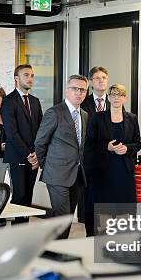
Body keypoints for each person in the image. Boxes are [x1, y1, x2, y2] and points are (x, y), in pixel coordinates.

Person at [34, 75, 89, 239]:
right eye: (75, 89)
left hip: (77, 174)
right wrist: (47, 165)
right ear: (67, 90)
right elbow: (40, 143)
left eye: (83, 90)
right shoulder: (54, 112)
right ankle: (56, 252)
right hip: (56, 174)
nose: (79, 93)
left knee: (67, 217)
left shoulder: (84, 115)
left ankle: (54, 247)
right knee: (62, 215)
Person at [84, 84, 141, 236]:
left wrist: (127, 148)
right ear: (108, 97)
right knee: (101, 209)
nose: (116, 98)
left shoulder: (132, 118)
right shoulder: (97, 117)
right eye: (113, 95)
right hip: (103, 171)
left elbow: (138, 143)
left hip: (124, 171)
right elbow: (89, 144)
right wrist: (106, 147)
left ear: (125, 98)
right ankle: (96, 240)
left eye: (120, 95)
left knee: (124, 209)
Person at [0, 65, 43, 222]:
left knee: (28, 198)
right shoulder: (8, 101)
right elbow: (12, 133)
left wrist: (37, 153)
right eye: (26, 75)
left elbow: (41, 130)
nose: (30, 78)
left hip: (34, 157)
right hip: (18, 156)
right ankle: (16, 234)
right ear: (16, 79)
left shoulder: (35, 101)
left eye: (32, 75)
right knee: (19, 196)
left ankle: (24, 231)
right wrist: (28, 154)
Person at [79, 66, 110, 227]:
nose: (101, 80)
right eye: (97, 78)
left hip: (109, 159)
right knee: (89, 198)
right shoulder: (83, 104)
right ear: (91, 82)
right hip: (89, 158)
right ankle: (89, 229)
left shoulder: (115, 103)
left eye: (104, 77)